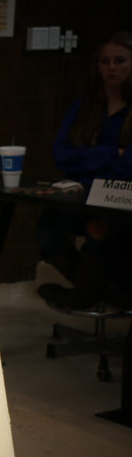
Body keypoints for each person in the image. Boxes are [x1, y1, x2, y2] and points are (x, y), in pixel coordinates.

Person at [36, 31, 132, 309]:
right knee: (47, 227)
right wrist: (113, 153)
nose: (111, 67)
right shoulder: (85, 107)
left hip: (121, 198)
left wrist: (88, 160)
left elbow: (129, 167)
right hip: (82, 193)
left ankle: (85, 294)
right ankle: (96, 290)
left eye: (119, 61)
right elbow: (63, 156)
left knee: (98, 226)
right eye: (105, 61)